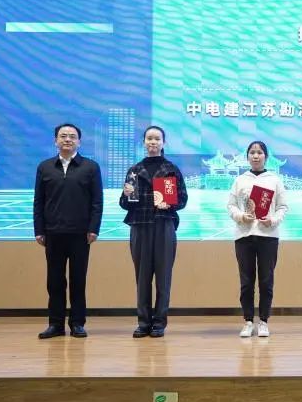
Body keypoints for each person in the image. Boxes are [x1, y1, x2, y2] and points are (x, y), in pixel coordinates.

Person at [33, 123, 103, 339]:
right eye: (63, 136)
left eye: (72, 136)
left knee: (78, 280)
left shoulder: (90, 167)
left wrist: (93, 228)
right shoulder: (45, 167)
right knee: (54, 281)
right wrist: (39, 230)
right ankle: (55, 324)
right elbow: (38, 201)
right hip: (53, 233)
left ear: (79, 142)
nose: (67, 139)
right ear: (56, 140)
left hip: (81, 234)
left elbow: (97, 202)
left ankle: (77, 323)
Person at [120, 126, 188, 338]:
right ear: (144, 142)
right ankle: (143, 322)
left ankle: (159, 322)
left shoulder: (171, 169)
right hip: (140, 226)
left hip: (164, 225)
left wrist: (170, 204)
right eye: (149, 138)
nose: (153, 142)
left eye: (157, 139)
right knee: (142, 277)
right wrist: (126, 195)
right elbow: (125, 203)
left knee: (163, 277)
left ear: (163, 143)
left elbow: (183, 199)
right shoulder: (134, 170)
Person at [227, 141, 288, 338]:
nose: (255, 156)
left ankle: (263, 321)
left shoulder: (275, 180)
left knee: (266, 281)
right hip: (244, 236)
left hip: (268, 236)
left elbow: (283, 207)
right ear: (247, 157)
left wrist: (273, 220)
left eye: (259, 152)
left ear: (266, 157)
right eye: (252, 152)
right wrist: (241, 217)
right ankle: (247, 321)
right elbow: (231, 205)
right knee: (246, 282)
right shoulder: (239, 180)